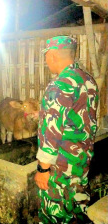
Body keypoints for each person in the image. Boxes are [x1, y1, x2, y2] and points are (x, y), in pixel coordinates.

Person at [34, 36, 99, 223]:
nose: (46, 62)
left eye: (46, 57)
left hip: (60, 169)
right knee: (77, 211)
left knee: (54, 214)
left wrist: (43, 168)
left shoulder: (59, 85)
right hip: (81, 162)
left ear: (53, 57)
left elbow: (51, 130)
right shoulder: (89, 81)